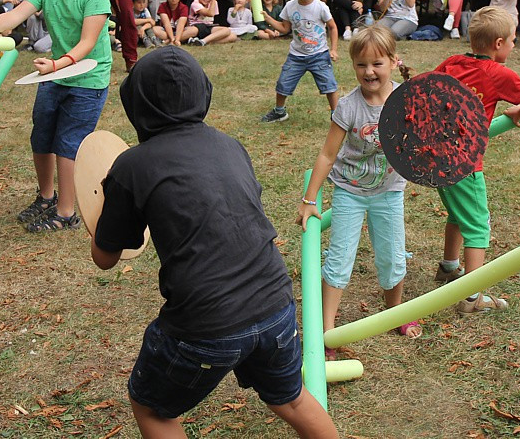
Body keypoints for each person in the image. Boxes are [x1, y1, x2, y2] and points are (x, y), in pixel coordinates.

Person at [90, 47, 338, 439]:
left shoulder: (132, 166)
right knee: (290, 398)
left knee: (152, 408)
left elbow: (105, 258)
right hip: (275, 303)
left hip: (205, 323)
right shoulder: (230, 145)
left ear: (135, 102)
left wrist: (102, 204)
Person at [0, 0, 112, 232]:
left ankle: (66, 213)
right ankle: (47, 198)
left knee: (67, 143)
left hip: (87, 78)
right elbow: (15, 15)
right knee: (42, 136)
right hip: (55, 73)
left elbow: (88, 43)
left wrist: (56, 64)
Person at [299, 26, 421, 357]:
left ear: (394, 62)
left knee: (393, 257)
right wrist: (310, 200)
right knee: (339, 260)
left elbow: (420, 142)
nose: (369, 72)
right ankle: (327, 331)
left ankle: (395, 314)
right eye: (361, 65)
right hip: (350, 192)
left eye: (377, 64)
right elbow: (327, 154)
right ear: (353, 66)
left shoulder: (404, 101)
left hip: (389, 192)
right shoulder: (348, 107)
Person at [433, 8, 520, 311]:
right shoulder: (497, 74)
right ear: (498, 43)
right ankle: (472, 297)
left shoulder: (453, 62)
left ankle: (448, 266)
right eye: (512, 40)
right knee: (478, 225)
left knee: (458, 214)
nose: (514, 45)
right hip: (465, 163)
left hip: (437, 157)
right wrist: (518, 111)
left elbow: (428, 91)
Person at [259, 0, 339, 123]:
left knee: (329, 85)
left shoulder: (321, 7)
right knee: (283, 83)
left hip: (319, 55)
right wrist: (269, 20)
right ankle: (280, 111)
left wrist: (334, 49)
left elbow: (333, 27)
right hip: (296, 55)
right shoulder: (290, 6)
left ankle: (336, 114)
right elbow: (284, 28)